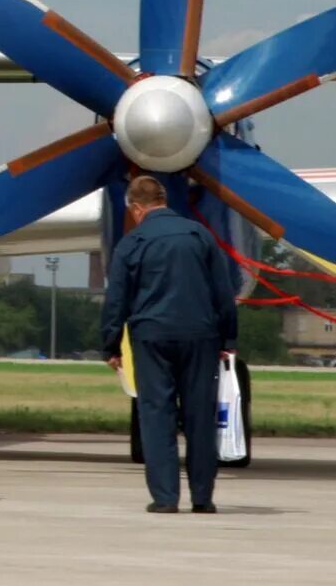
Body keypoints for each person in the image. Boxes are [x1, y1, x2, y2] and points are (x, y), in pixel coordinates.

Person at [100, 174, 237, 514]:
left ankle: (165, 497)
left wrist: (111, 345)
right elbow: (224, 292)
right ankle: (203, 498)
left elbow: (116, 299)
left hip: (152, 338)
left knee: (157, 415)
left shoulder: (133, 242)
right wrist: (228, 338)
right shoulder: (200, 235)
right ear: (164, 201)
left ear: (136, 207)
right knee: (200, 417)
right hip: (200, 336)